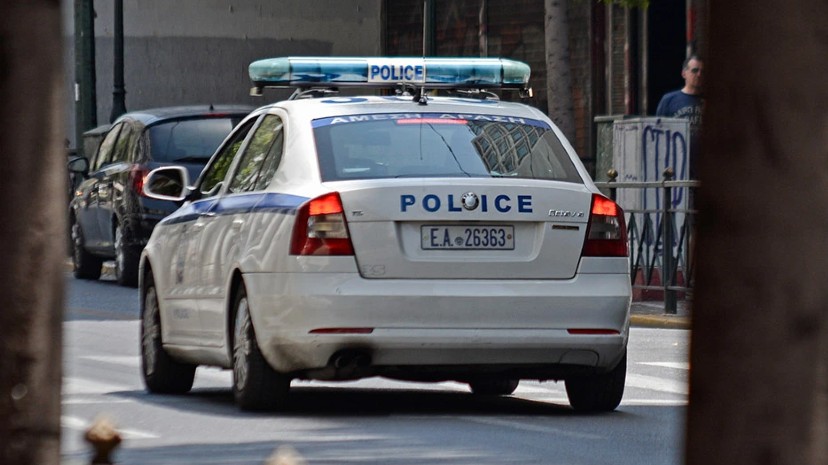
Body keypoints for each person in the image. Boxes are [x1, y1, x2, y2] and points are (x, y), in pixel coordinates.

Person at [656, 55, 704, 126]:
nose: (699, 75)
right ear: (684, 74)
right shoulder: (668, 100)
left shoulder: (712, 101)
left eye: (702, 72)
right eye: (695, 70)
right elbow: (658, 127)